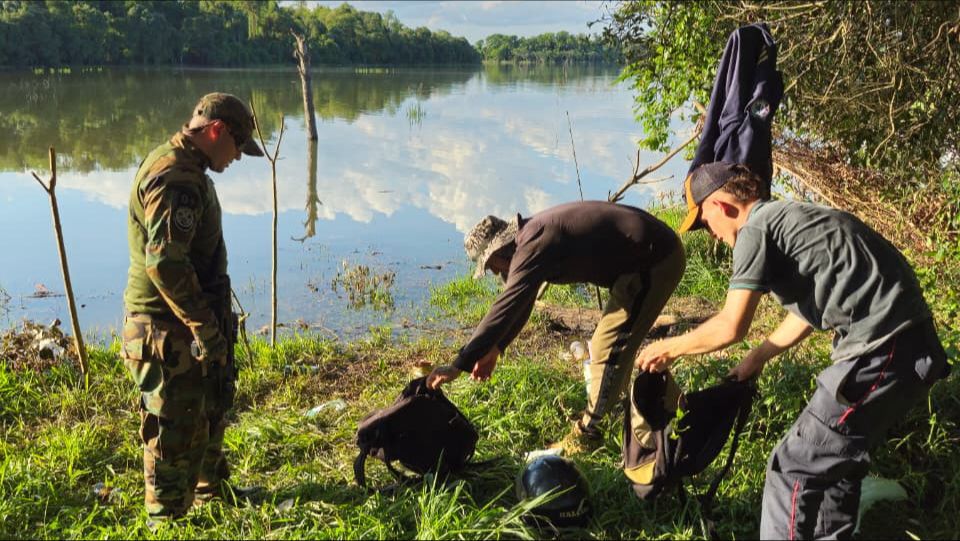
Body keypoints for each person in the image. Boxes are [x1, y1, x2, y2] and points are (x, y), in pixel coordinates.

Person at [636, 162, 950, 540]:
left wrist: (668, 348)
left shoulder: (755, 228)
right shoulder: (790, 219)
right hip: (909, 351)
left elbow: (731, 326)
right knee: (835, 470)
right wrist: (757, 358)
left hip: (880, 349)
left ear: (720, 205)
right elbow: (805, 314)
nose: (712, 235)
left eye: (704, 223)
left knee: (792, 466)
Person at [427, 200, 686, 454]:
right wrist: (497, 347)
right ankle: (676, 409)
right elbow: (522, 302)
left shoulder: (533, 244)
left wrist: (459, 364)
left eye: (491, 265)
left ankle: (588, 435)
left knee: (608, 349)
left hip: (654, 261)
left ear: (499, 250)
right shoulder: (532, 237)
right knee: (610, 346)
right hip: (646, 259)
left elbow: (506, 304)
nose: (495, 272)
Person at [120, 92, 264, 521]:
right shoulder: (177, 177)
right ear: (216, 131)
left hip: (184, 321)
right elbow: (164, 263)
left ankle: (211, 490)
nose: (237, 158)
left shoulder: (187, 167)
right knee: (174, 424)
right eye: (237, 146)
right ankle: (165, 518)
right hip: (166, 327)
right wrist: (203, 327)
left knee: (206, 408)